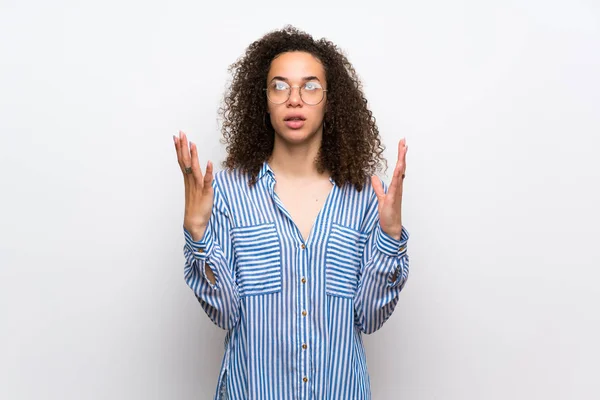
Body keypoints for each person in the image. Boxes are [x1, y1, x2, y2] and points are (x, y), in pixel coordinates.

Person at [173, 25, 410, 400]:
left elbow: (370, 317)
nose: (294, 99)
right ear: (263, 101)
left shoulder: (367, 197)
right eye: (280, 86)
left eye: (310, 86)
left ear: (330, 101)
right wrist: (198, 234)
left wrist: (390, 237)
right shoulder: (228, 193)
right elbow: (224, 314)